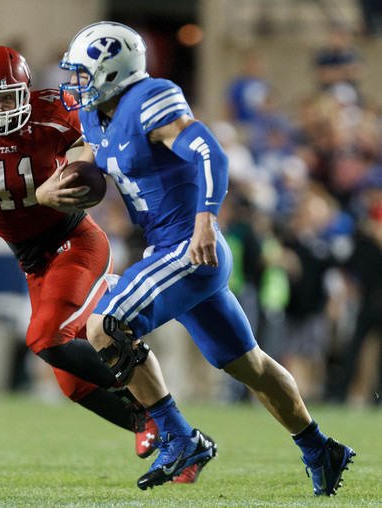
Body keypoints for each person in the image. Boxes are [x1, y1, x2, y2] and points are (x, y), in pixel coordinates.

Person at [44, 21, 357, 494]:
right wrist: (49, 191)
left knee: (106, 325)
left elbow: (212, 154)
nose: (75, 83)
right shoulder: (94, 116)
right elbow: (86, 164)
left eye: (83, 74)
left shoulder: (150, 98)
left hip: (189, 247)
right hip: (169, 253)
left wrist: (205, 220)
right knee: (250, 366)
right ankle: (320, 449)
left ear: (113, 71)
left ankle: (178, 437)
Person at [0, 45, 175, 472]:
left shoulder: (52, 112)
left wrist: (78, 173)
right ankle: (155, 423)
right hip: (33, 262)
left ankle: (159, 404)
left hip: (74, 240)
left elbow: (99, 140)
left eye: (5, 98)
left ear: (25, 94)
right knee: (71, 384)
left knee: (46, 338)